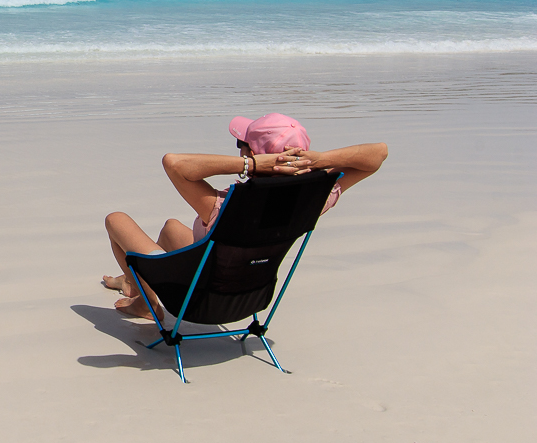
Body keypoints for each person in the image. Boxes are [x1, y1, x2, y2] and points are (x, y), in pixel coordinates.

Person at [102, 113, 388, 319]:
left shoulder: (228, 205)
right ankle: (130, 280)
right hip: (251, 298)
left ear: (254, 154)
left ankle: (145, 301)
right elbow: (378, 154)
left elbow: (174, 163)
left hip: (199, 300)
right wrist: (318, 160)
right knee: (171, 228)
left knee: (116, 220)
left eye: (242, 145)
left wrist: (250, 166)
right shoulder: (315, 200)